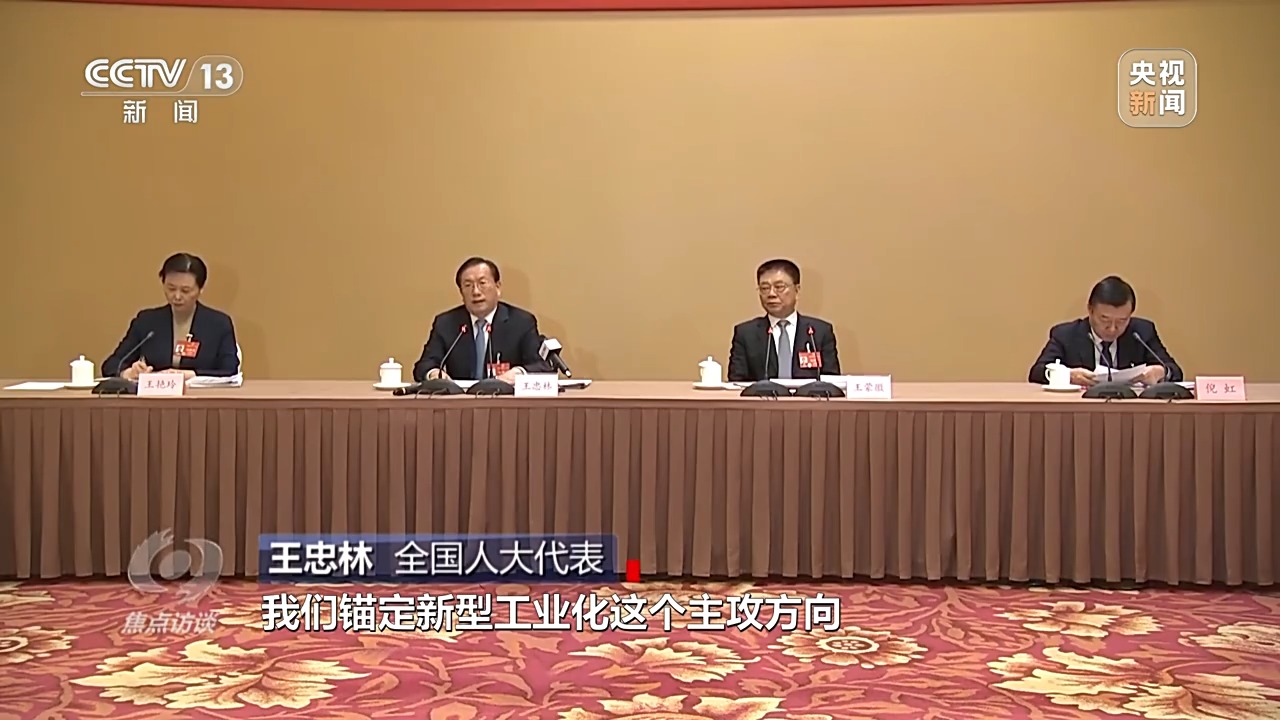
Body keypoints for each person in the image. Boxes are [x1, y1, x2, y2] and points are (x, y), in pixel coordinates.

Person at [103, 253, 241, 381]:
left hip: (201, 396)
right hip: (157, 395)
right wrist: (128, 372)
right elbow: (111, 364)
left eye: (185, 290)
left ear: (200, 289)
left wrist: (190, 375)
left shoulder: (218, 324)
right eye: (171, 288)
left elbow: (230, 370)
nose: (177, 296)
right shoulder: (147, 321)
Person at [412, 257, 550, 382]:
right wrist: (433, 374)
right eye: (468, 285)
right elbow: (423, 366)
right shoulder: (446, 323)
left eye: (482, 283)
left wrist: (518, 373)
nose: (476, 292)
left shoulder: (521, 322)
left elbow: (541, 366)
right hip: (461, 399)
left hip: (504, 398)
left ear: (498, 287)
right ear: (461, 292)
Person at [1028, 275, 1182, 387]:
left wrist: (1161, 372)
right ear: (1090, 310)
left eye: (1122, 321)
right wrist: (1068, 375)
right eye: (1105, 320)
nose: (1113, 328)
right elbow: (1037, 373)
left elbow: (1175, 371)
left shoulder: (1142, 332)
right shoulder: (1066, 335)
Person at [727, 259, 840, 382]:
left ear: (797, 290)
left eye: (779, 287)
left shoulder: (819, 332)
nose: (771, 294)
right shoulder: (746, 333)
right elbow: (736, 382)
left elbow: (832, 381)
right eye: (764, 288)